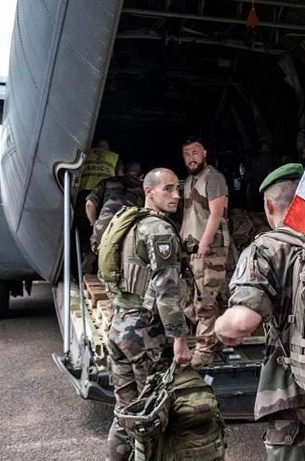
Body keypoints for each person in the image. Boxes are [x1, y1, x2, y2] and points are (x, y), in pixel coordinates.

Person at [214, 163, 305, 461]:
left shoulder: (266, 249)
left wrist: (219, 328)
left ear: (269, 205)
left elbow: (242, 322)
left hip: (296, 393)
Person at [105, 168, 192, 461]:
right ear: (149, 191)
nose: (176, 195)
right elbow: (167, 289)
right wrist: (179, 339)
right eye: (168, 189)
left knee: (125, 412)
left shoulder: (127, 224)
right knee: (151, 417)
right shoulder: (158, 229)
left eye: (177, 189)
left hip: (119, 327)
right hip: (145, 336)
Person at [180, 137, 231, 368]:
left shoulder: (213, 178)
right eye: (187, 154)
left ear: (205, 153)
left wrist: (204, 244)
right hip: (192, 248)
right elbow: (188, 214)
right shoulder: (190, 180)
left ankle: (203, 352)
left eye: (195, 152)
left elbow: (216, 213)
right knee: (192, 300)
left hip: (209, 249)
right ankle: (216, 340)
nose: (191, 157)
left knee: (205, 302)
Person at [86, 160, 145, 254]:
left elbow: (89, 204)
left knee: (100, 259)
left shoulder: (107, 182)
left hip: (103, 227)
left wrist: (94, 224)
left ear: (123, 171)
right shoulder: (144, 190)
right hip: (129, 230)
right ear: (141, 176)